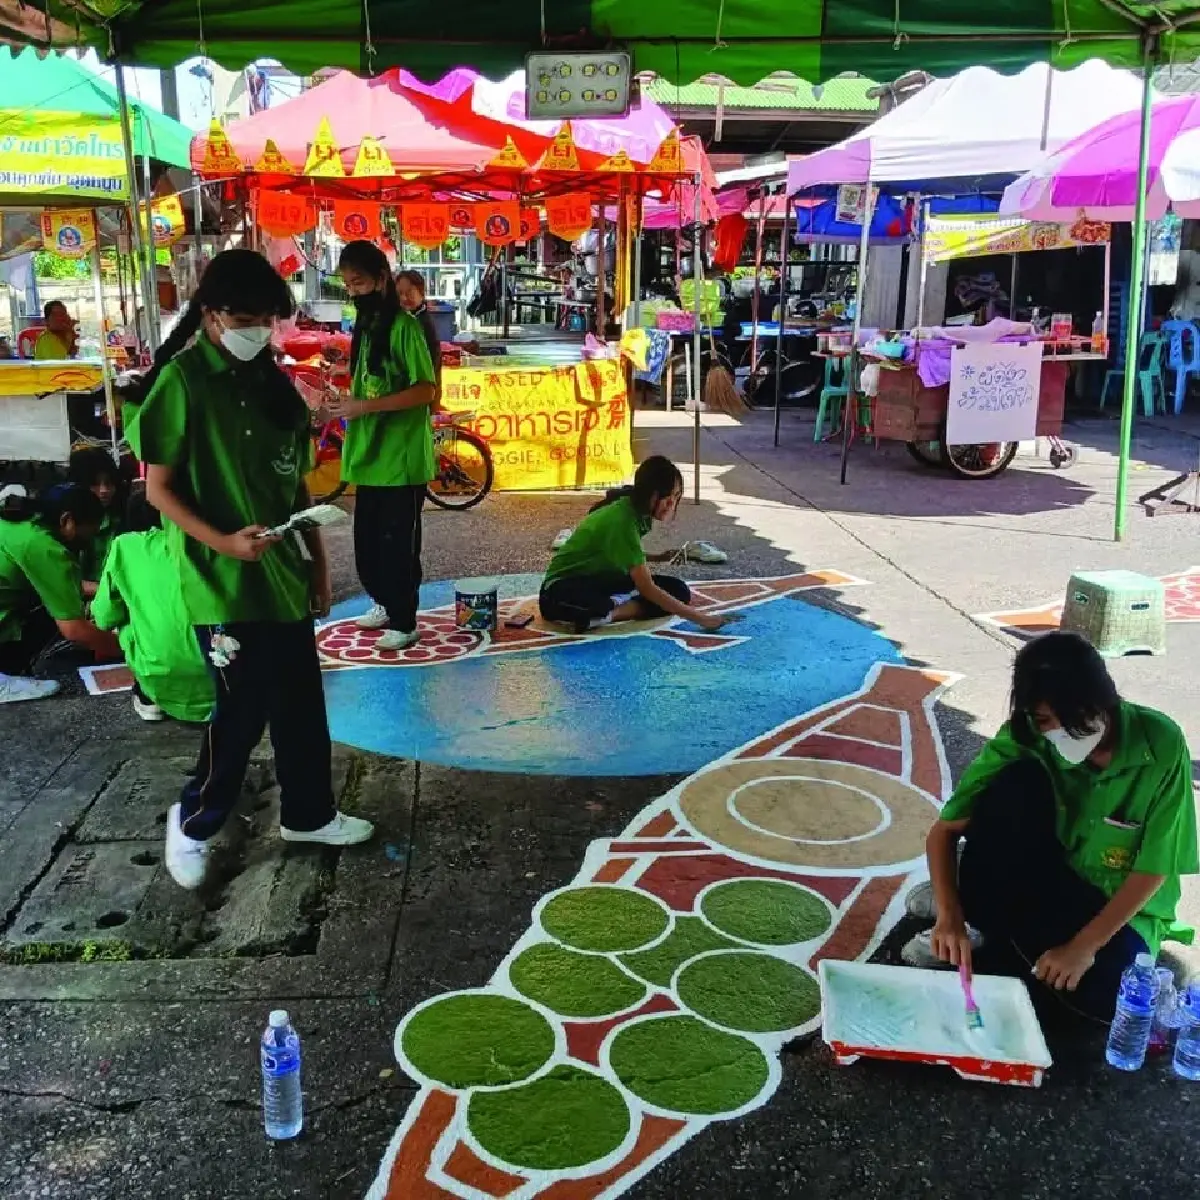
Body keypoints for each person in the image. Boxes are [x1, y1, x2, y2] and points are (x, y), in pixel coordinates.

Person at [127, 248, 373, 891]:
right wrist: (223, 542)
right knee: (240, 710)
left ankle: (309, 814)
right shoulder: (181, 383)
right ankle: (196, 818)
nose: (258, 330)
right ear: (210, 316)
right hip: (222, 579)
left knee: (299, 701)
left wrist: (319, 566)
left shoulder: (269, 380)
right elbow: (158, 488)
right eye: (245, 317)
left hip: (282, 570)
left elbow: (294, 488)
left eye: (267, 318)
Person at [906, 631, 1198, 1019]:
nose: (1048, 731)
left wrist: (1083, 948)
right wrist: (949, 913)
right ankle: (970, 909)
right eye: (1040, 719)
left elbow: (1154, 867)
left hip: (1117, 906)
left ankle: (992, 921)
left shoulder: (1159, 743)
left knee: (1113, 997)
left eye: (1054, 718)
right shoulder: (1027, 736)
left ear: (1097, 703)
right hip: (1045, 877)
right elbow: (945, 830)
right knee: (1015, 783)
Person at [332, 241, 437, 651]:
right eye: (347, 284)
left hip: (401, 459)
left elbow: (426, 389)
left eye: (358, 282)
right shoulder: (367, 326)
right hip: (368, 457)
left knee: (398, 549)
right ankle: (385, 600)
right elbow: (367, 386)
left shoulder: (406, 327)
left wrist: (367, 405)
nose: (354, 291)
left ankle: (405, 616)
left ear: (380, 279)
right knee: (368, 550)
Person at [539, 455, 731, 635]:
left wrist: (658, 557)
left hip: (600, 580)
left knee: (678, 590)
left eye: (677, 495)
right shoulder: (622, 519)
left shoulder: (637, 511)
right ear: (649, 494)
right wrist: (701, 619)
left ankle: (608, 614)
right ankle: (606, 609)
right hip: (559, 589)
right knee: (597, 604)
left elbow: (623, 553)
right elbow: (646, 587)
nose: (671, 503)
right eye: (666, 496)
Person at [91, 489, 215, 725]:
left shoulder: (124, 546)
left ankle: (148, 697)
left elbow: (104, 617)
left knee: (128, 618)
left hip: (160, 673)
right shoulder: (211, 541)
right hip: (223, 672)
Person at [0, 483, 120, 704]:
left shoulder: (22, 523)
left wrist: (108, 590)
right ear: (67, 520)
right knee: (48, 613)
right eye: (89, 532)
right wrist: (129, 648)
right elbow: (74, 630)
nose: (89, 541)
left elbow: (60, 583)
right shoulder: (46, 547)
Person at [67, 445, 126, 592]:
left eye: (109, 483)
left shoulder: (124, 518)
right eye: (94, 484)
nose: (104, 490)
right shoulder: (63, 523)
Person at [395, 269, 443, 401]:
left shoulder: (420, 323)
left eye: (410, 292)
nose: (404, 298)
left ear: (421, 293)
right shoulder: (407, 319)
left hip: (421, 396)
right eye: (399, 293)